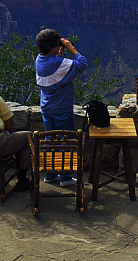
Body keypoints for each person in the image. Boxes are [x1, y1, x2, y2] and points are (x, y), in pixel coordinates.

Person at [34, 28, 88, 187]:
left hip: (47, 108)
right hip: (62, 109)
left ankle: (50, 175)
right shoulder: (57, 63)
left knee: (51, 141)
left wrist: (59, 52)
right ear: (52, 47)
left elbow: (57, 70)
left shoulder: (39, 60)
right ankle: (65, 178)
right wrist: (71, 48)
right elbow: (82, 64)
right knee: (65, 142)